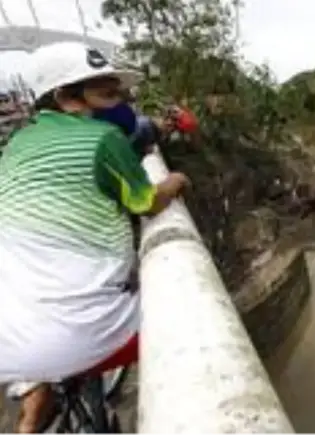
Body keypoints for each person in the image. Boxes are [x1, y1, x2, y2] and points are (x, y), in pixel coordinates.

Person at [0, 41, 190, 433]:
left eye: (117, 91)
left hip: (10, 345)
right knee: (188, 324)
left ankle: (32, 411)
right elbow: (148, 203)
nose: (117, 100)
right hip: (88, 337)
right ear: (64, 96)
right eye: (106, 92)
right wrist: (175, 180)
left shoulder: (14, 145)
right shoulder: (105, 139)